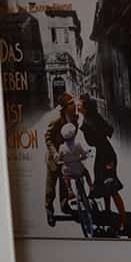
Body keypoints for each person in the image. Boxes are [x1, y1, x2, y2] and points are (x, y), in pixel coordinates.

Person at [80, 95, 127, 234]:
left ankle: (124, 221)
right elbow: (109, 130)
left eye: (80, 105)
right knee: (105, 185)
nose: (78, 106)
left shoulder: (88, 122)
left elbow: (91, 142)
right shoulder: (95, 116)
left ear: (85, 108)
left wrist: (109, 163)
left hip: (106, 156)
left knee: (112, 188)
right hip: (106, 153)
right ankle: (107, 212)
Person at [44, 92, 79, 222]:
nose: (74, 105)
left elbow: (73, 135)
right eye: (71, 103)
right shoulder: (56, 120)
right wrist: (54, 153)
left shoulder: (73, 118)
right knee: (51, 187)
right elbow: (47, 138)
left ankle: (64, 206)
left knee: (64, 183)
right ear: (65, 107)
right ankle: (49, 210)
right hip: (54, 159)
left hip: (66, 156)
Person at [57, 123, 93, 195]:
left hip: (68, 172)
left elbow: (59, 160)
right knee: (86, 172)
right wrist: (81, 157)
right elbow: (84, 156)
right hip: (78, 170)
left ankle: (69, 189)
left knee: (65, 176)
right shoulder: (77, 145)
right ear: (74, 135)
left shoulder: (61, 147)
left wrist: (63, 162)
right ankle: (91, 187)